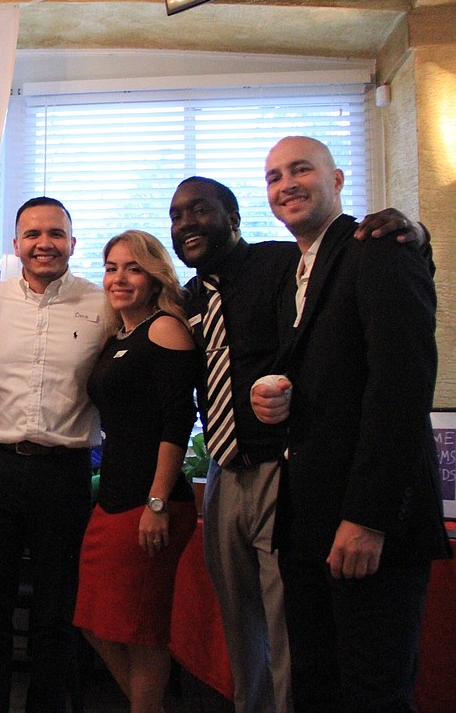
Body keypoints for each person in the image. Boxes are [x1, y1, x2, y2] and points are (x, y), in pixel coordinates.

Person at [169, 176, 424, 713]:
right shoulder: (188, 298)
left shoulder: (283, 264)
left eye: (201, 210)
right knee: (240, 623)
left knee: (289, 629)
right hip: (221, 471)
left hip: (278, 472)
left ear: (234, 217)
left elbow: (357, 270)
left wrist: (414, 233)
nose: (187, 223)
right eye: (176, 216)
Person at [250, 136, 450, 712]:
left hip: (366, 526)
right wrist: (283, 403)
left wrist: (368, 518)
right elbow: (338, 380)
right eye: (273, 176)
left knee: (372, 694)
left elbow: (401, 389)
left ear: (337, 181)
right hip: (311, 523)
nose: (285, 184)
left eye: (301, 169)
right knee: (319, 686)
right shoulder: (300, 270)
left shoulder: (378, 247)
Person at [0, 197, 104, 713]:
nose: (43, 243)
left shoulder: (101, 303)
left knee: (56, 608)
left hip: (64, 473)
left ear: (72, 241)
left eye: (55, 233)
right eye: (32, 234)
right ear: (17, 243)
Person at [73, 230, 199, 713]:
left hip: (150, 501)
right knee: (93, 621)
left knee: (143, 633)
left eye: (133, 268)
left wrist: (157, 502)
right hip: (113, 499)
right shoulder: (117, 336)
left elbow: (177, 423)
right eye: (111, 267)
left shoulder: (166, 327)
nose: (119, 278)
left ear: (154, 276)